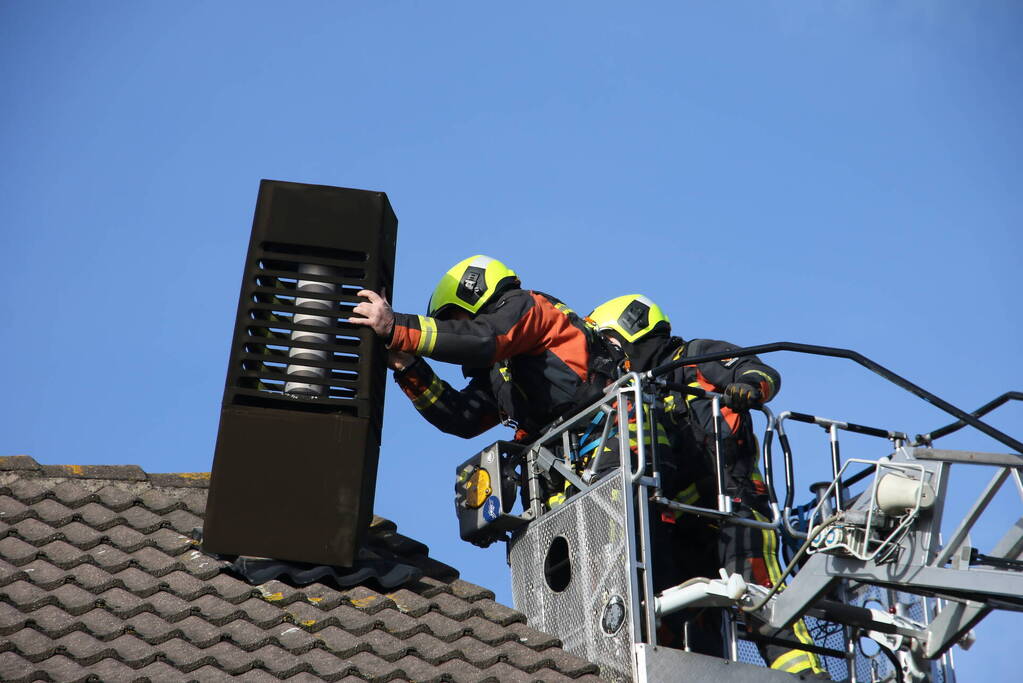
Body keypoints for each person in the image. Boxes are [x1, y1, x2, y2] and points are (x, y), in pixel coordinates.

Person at [587, 294, 827, 678]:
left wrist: (747, 387)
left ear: (632, 327)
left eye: (612, 342)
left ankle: (807, 675)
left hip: (736, 502)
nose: (612, 355)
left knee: (757, 589)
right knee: (682, 608)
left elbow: (759, 372)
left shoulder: (696, 356)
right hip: (683, 517)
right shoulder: (636, 390)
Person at [350, 255, 617, 443]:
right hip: (567, 471)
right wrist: (406, 365)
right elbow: (464, 417)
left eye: (453, 320)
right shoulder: (504, 370)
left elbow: (483, 339)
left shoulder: (526, 306)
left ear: (472, 293)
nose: (452, 330)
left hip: (608, 443)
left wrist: (397, 327)